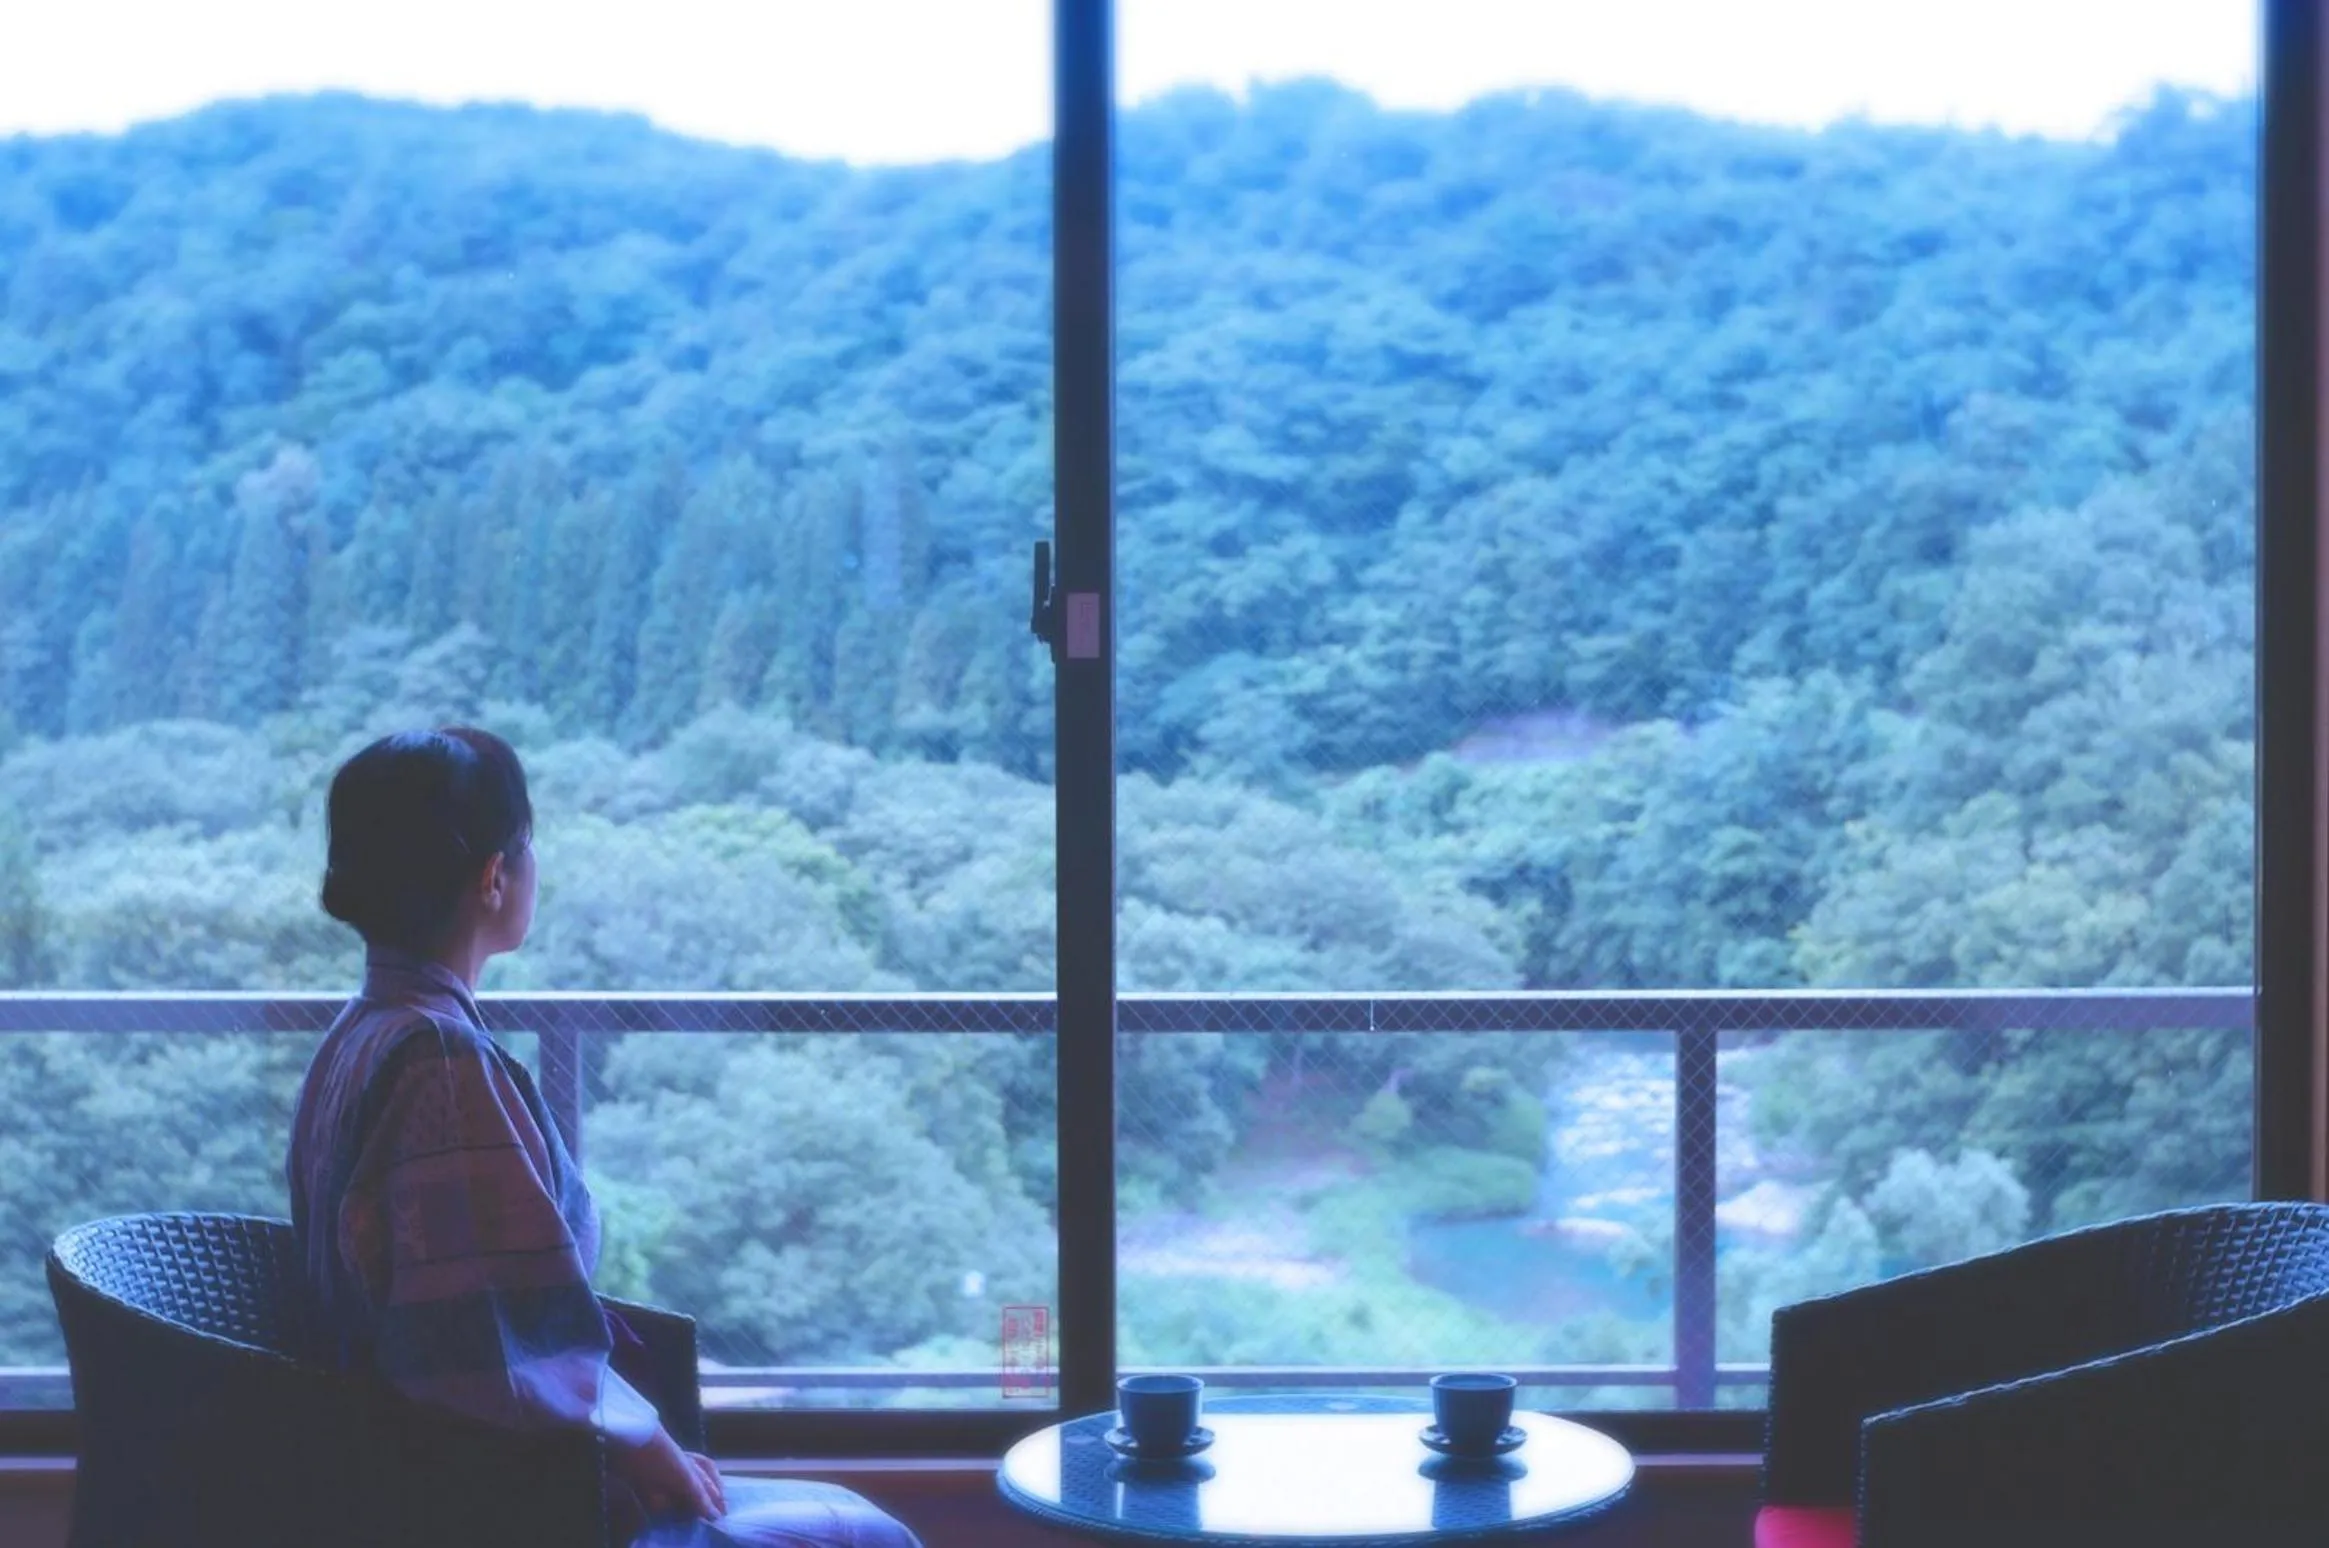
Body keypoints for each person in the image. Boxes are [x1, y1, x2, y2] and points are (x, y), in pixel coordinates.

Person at [287, 726, 922, 1548]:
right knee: (869, 1537)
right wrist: (643, 1443)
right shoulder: (439, 1060)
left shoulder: (359, 1034)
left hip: (401, 1473)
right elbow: (488, 1343)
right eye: (527, 844)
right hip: (490, 1500)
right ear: (493, 877)